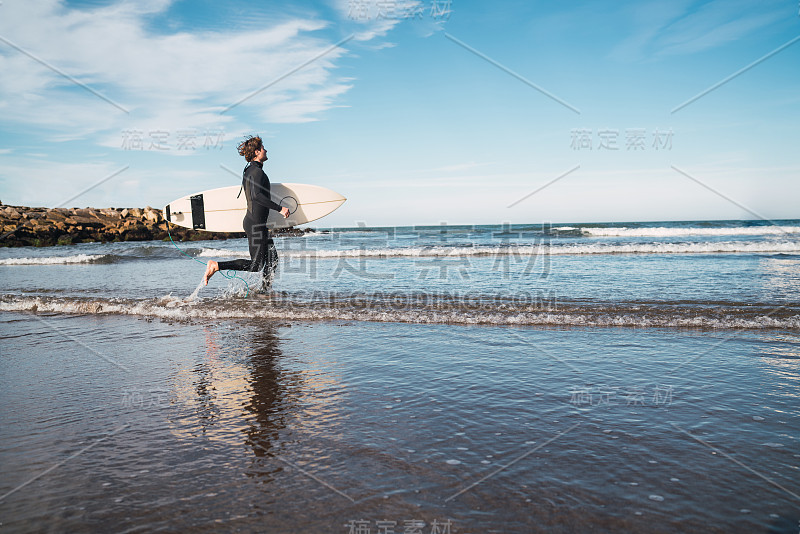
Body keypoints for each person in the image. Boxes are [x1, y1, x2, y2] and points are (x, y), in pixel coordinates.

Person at [202, 136, 290, 289]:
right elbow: (257, 196)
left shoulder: (250, 170)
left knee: (272, 259)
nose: (266, 150)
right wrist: (280, 208)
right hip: (255, 224)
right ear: (257, 152)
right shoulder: (256, 172)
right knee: (256, 265)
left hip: (256, 223)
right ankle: (216, 265)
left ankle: (265, 291)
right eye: (263, 148)